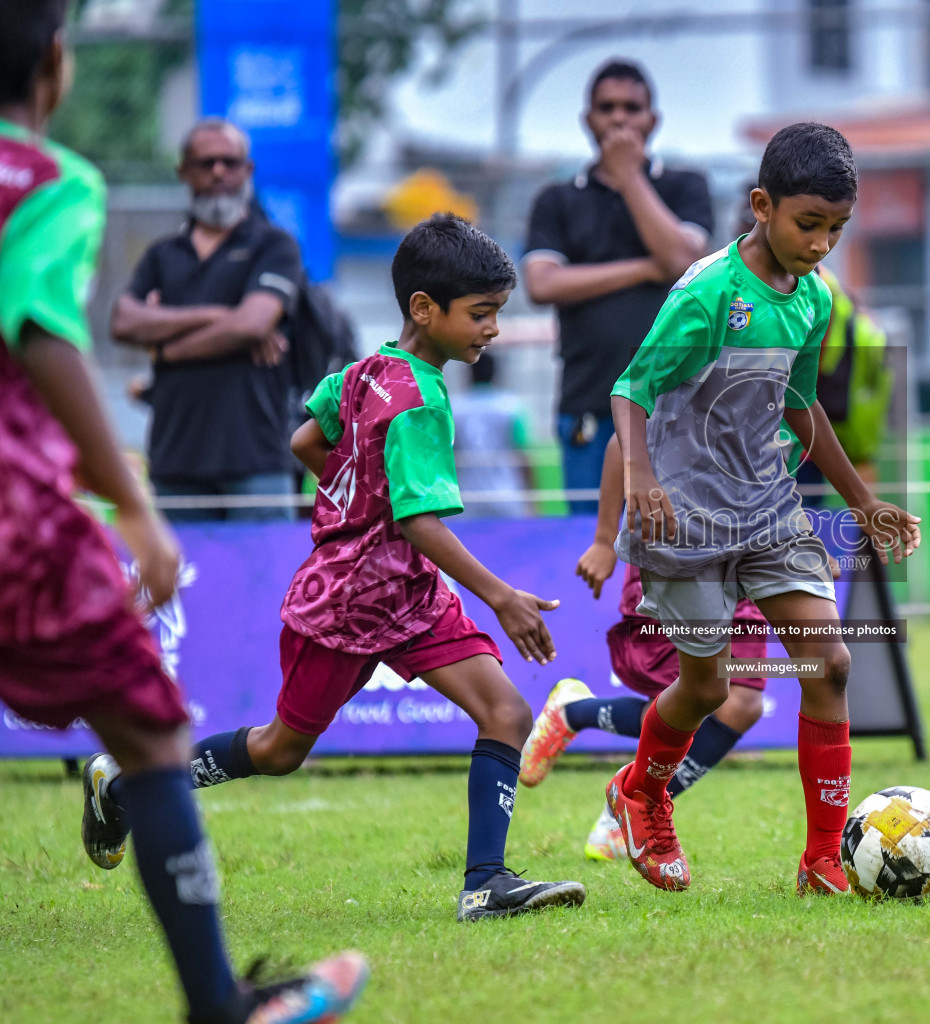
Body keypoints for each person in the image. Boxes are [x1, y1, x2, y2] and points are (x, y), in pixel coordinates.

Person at [0, 5, 366, 1021]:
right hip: (18, 509)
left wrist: (175, 333)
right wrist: (136, 510)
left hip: (241, 463)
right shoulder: (51, 184)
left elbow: (221, 321)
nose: (212, 175)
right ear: (57, 67)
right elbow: (51, 334)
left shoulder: (265, 245)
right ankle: (219, 1004)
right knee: (148, 735)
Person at [86, 214, 588, 922]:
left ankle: (486, 883)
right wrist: (502, 596)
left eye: (496, 314)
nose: (493, 330)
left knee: (504, 711)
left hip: (407, 594)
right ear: (425, 309)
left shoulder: (360, 373)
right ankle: (129, 782)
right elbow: (418, 520)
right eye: (481, 314)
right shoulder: (420, 400)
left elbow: (304, 439)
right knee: (281, 748)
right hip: (347, 604)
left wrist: (358, 493)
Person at [605, 122, 920, 894]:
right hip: (685, 515)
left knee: (831, 662)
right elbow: (631, 387)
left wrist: (863, 502)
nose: (821, 245)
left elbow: (801, 406)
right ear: (761, 206)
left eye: (836, 230)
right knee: (709, 689)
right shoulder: (708, 294)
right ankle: (639, 791)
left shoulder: (812, 299)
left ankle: (821, 859)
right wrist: (642, 478)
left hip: (769, 507)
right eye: (808, 224)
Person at [517, 435, 770, 861]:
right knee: (690, 695)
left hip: (744, 558)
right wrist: (603, 539)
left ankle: (628, 809)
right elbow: (625, 437)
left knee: (741, 703)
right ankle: (574, 716)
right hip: (672, 551)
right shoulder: (693, 372)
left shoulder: (781, 384)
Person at [523, 59, 714, 514]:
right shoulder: (558, 199)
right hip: (588, 402)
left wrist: (629, 175)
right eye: (606, 107)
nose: (619, 118)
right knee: (593, 540)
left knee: (677, 540)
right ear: (588, 119)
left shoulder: (685, 186)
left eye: (632, 107)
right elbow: (541, 282)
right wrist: (647, 269)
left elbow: (684, 261)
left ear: (653, 119)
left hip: (674, 407)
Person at [110, 117, 304, 522]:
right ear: (183, 171)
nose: (218, 172)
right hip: (175, 459)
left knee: (266, 585)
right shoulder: (162, 254)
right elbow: (123, 322)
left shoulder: (275, 245)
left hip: (256, 458)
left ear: (247, 170)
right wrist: (220, 316)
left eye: (229, 162)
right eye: (205, 162)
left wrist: (166, 347)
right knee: (186, 586)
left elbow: (252, 323)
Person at [452, 349, 535, 519]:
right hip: (508, 497)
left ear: (469, 374)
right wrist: (532, 500)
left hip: (466, 500)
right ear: (496, 373)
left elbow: (447, 457)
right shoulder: (511, 407)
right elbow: (523, 456)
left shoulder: (453, 408)